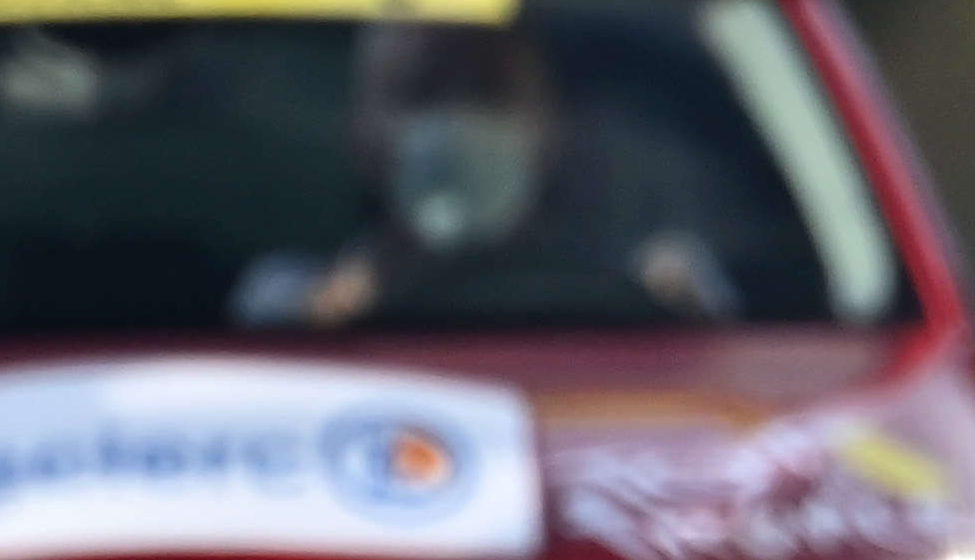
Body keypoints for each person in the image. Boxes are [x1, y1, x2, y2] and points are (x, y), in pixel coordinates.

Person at [233, 20, 740, 329]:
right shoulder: (284, 301)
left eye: (489, 88)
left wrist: (680, 316)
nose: (460, 118)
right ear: (364, 128)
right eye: (424, 90)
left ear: (549, 122)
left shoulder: (643, 290)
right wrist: (314, 332)